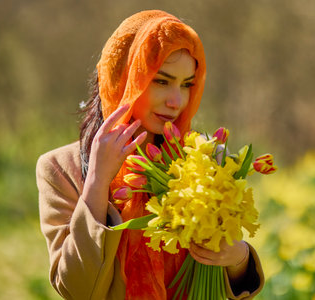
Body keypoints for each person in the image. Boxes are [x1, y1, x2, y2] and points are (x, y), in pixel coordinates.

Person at [36, 10, 264, 300]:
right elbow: (76, 289)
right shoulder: (60, 169)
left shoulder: (207, 159)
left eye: (186, 85)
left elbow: (228, 281)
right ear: (124, 78)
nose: (176, 101)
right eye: (161, 81)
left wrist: (238, 258)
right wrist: (97, 181)